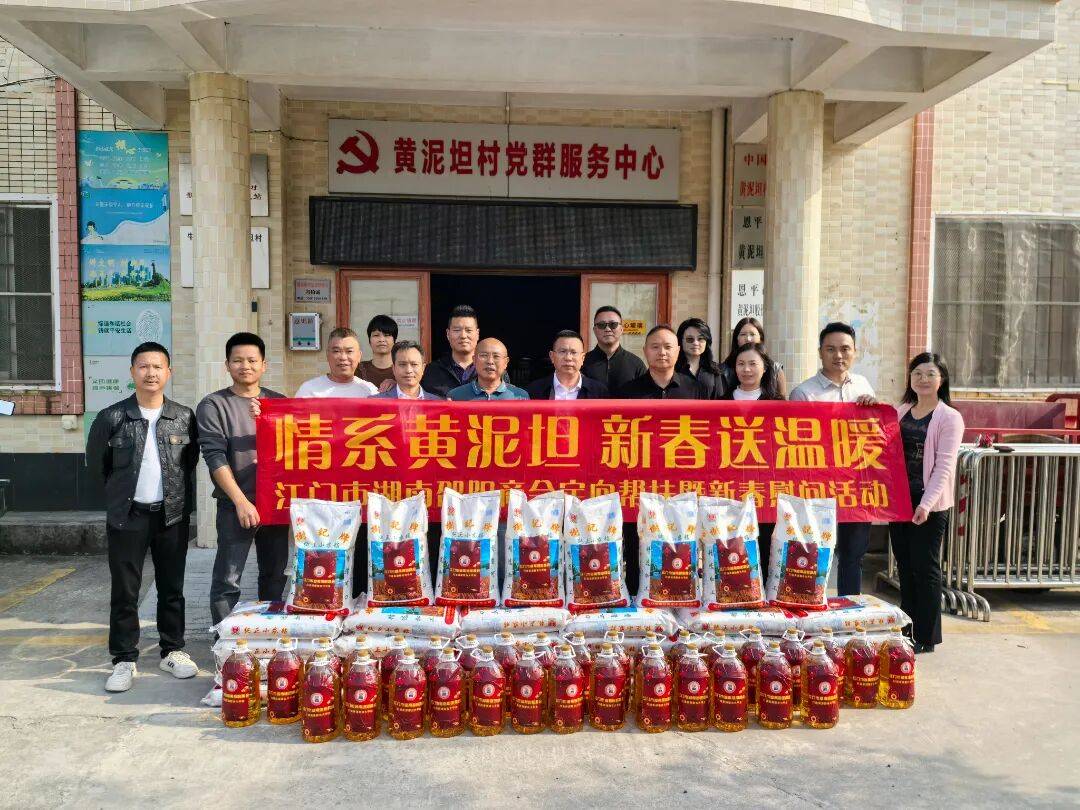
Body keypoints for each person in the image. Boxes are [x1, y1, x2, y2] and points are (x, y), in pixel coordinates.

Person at [87, 342, 200, 693]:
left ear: (169, 372)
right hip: (128, 516)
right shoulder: (112, 417)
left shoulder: (183, 417)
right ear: (132, 371)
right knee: (125, 590)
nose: (151, 373)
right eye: (144, 366)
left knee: (172, 587)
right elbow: (97, 467)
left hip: (171, 515)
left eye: (157, 366)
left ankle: (173, 650)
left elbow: (190, 463)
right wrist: (120, 500)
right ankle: (124, 659)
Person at [197, 332, 289, 626]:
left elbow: (295, 450)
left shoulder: (279, 402)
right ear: (227, 365)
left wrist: (268, 420)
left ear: (264, 365)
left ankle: (269, 634)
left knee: (274, 575)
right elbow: (214, 457)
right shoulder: (213, 405)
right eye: (237, 360)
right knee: (228, 578)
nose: (245, 366)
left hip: (274, 505)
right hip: (236, 504)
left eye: (252, 360)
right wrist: (240, 501)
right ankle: (224, 640)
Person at [789, 322, 878, 596]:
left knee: (853, 553)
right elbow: (796, 443)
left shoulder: (863, 386)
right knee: (813, 550)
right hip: (819, 486)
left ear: (855, 351)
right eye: (830, 349)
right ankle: (810, 606)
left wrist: (872, 410)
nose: (838, 355)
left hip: (856, 485)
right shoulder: (804, 393)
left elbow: (874, 433)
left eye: (845, 349)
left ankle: (849, 607)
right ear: (820, 352)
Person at [890, 353, 964, 654]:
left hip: (929, 505)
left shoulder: (950, 418)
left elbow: (944, 466)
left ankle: (926, 636)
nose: (923, 379)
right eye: (917, 373)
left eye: (930, 374)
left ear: (941, 379)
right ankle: (907, 630)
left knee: (926, 568)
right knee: (905, 567)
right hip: (900, 502)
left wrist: (926, 504)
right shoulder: (901, 411)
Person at [721, 341, 784, 575]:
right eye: (740, 364)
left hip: (765, 487)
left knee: (765, 545)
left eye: (752, 364)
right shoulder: (719, 402)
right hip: (729, 486)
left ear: (765, 367)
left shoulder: (777, 404)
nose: (746, 369)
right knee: (732, 546)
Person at [614, 325, 704, 399]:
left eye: (668, 347)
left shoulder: (695, 388)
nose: (662, 352)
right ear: (645, 351)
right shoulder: (628, 391)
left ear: (678, 351)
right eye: (655, 347)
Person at [295, 326, 378, 398]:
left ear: (359, 356)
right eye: (336, 351)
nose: (343, 357)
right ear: (327, 355)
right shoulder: (309, 391)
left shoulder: (369, 391)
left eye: (349, 351)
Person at [526, 330, 609, 400]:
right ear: (552, 356)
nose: (568, 358)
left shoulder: (599, 392)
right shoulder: (534, 390)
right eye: (562, 351)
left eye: (574, 352)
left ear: (582, 358)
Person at [421, 304, 481, 398]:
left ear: (477, 334)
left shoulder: (490, 370)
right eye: (457, 330)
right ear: (448, 334)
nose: (463, 336)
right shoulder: (430, 371)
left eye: (468, 330)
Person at [582, 306, 646, 391]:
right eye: (601, 325)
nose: (607, 329)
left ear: (621, 329)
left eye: (613, 324)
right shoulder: (582, 362)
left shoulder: (636, 364)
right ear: (594, 330)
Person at [720, 316, 788, 396]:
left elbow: (782, 400)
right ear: (736, 339)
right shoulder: (723, 370)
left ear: (760, 338)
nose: (748, 339)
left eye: (752, 334)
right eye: (743, 334)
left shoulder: (775, 370)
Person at [447, 338, 529, 400]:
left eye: (496, 356)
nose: (490, 361)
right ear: (474, 360)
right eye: (484, 356)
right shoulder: (456, 396)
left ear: (506, 362)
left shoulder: (520, 396)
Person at [675, 317, 728, 398]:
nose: (696, 343)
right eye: (690, 339)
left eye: (700, 339)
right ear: (680, 341)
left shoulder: (714, 370)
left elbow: (720, 400)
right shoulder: (672, 369)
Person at [372, 340, 442, 399]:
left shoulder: (438, 404)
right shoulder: (376, 402)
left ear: (423, 368)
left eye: (414, 364)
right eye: (402, 364)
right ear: (393, 368)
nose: (408, 370)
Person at [357, 314, 398, 392]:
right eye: (376, 335)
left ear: (394, 340)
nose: (381, 340)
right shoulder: (358, 369)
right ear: (369, 340)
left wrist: (398, 386)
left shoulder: (402, 369)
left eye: (387, 335)